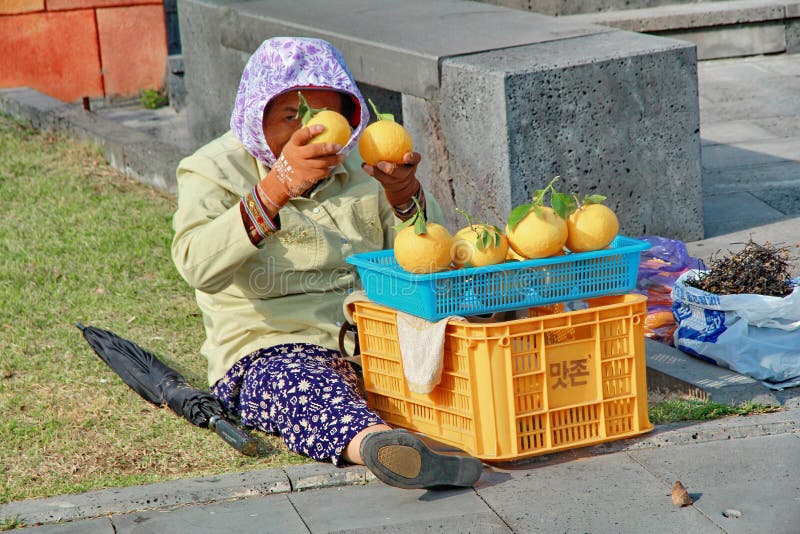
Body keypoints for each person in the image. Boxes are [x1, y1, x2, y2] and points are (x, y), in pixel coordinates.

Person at [171, 37, 483, 489]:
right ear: (256, 115)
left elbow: (434, 260)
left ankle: (472, 432)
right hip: (271, 346)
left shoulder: (367, 161)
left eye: (324, 115)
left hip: (374, 338)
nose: (312, 130)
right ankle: (377, 444)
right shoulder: (212, 170)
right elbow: (195, 264)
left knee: (463, 341)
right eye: (291, 115)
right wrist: (275, 189)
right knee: (299, 387)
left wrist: (403, 199)